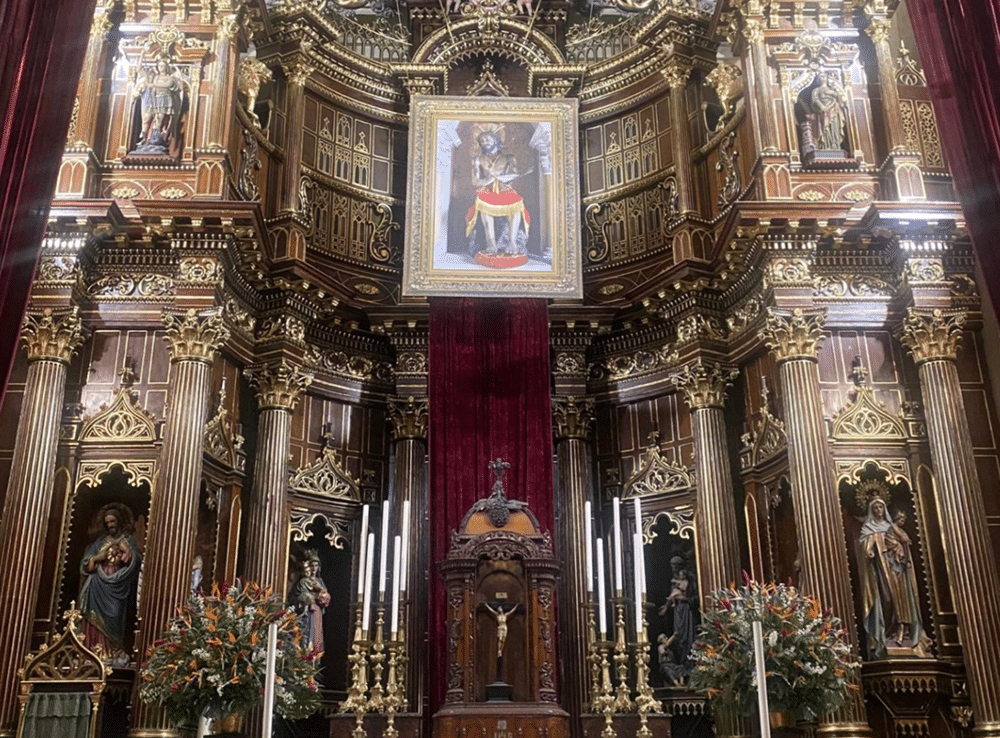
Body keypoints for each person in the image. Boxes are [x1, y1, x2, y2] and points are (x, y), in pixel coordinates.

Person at [858, 498, 929, 658]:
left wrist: (901, 548)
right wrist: (869, 549)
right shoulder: (868, 528)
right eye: (875, 508)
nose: (878, 510)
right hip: (881, 571)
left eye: (881, 507)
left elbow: (905, 543)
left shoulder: (892, 527)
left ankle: (903, 632)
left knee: (903, 601)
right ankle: (886, 634)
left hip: (897, 570)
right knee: (887, 599)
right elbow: (864, 546)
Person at [79, 504, 141, 664]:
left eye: (113, 521)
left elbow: (134, 562)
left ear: (119, 521)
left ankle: (113, 651)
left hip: (117, 586)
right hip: (97, 584)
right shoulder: (100, 542)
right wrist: (95, 558)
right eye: (107, 523)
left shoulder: (127, 541)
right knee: (92, 618)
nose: (110, 525)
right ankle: (92, 651)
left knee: (114, 615)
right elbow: (86, 563)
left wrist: (127, 553)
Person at [465, 125, 530, 258]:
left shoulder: (509, 158)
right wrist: (489, 179)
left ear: (496, 140)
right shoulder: (477, 159)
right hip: (486, 190)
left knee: (517, 204)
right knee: (483, 203)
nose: (485, 142)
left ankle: (512, 242)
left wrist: (505, 180)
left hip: (504, 188)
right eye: (482, 141)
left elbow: (513, 175)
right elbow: (475, 181)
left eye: (488, 139)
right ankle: (491, 242)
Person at [132, 57, 185, 156]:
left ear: (166, 67)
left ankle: (156, 138)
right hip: (154, 100)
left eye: (163, 66)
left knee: (159, 120)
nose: (161, 68)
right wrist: (142, 54)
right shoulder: (154, 77)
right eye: (159, 65)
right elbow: (139, 70)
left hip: (164, 100)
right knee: (147, 119)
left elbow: (169, 86)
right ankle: (144, 139)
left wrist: (153, 85)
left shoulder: (170, 78)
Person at [658, 555, 697, 680]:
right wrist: (666, 607)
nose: (673, 569)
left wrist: (685, 599)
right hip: (678, 612)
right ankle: (681, 665)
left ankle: (689, 666)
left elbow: (696, 597)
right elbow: (672, 596)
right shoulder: (674, 581)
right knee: (678, 637)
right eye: (672, 566)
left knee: (687, 637)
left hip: (687, 611)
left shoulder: (690, 580)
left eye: (675, 566)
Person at [291, 550, 331, 654]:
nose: (314, 569)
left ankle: (313, 660)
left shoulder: (319, 581)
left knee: (315, 637)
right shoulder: (301, 581)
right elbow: (294, 597)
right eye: (312, 566)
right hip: (304, 613)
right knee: (304, 636)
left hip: (316, 612)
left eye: (316, 566)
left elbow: (326, 599)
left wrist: (320, 590)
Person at [810, 71, 848, 151]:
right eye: (821, 76)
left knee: (834, 127)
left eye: (824, 76)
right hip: (824, 112)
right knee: (825, 128)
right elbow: (815, 99)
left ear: (827, 78)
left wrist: (833, 92)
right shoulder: (816, 90)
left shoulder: (832, 89)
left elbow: (841, 99)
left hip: (834, 110)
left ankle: (835, 145)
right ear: (818, 79)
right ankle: (826, 146)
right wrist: (822, 106)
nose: (823, 78)